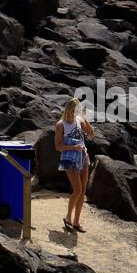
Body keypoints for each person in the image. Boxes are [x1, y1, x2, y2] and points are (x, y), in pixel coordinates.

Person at [55, 98, 95, 233]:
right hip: (69, 159)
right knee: (77, 190)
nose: (75, 113)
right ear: (69, 110)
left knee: (82, 192)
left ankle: (76, 222)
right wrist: (73, 147)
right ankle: (68, 218)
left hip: (83, 157)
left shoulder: (79, 120)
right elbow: (58, 146)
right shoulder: (61, 125)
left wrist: (84, 118)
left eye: (78, 111)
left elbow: (91, 134)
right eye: (74, 111)